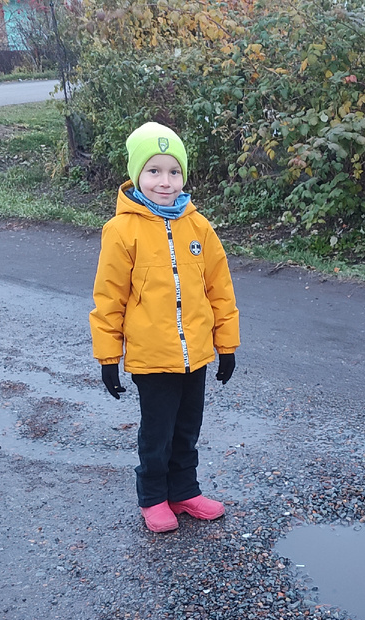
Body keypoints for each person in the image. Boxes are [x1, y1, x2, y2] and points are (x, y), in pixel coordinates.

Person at [90, 122, 240, 533]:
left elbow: (220, 290)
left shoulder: (199, 227)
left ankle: (184, 491)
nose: (164, 181)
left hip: (195, 354)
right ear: (137, 174)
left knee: (188, 427)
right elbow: (109, 298)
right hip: (151, 357)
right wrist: (108, 356)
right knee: (157, 432)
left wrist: (225, 347)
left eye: (173, 171)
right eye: (153, 171)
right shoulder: (121, 231)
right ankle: (154, 497)